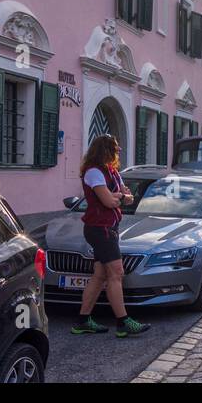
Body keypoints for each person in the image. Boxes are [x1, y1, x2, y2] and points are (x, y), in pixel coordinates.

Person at [71, 134, 151, 338]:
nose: (118, 152)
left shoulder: (111, 171)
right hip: (100, 228)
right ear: (105, 150)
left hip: (108, 227)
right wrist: (119, 197)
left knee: (99, 275)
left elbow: (127, 198)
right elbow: (109, 201)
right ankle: (123, 322)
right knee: (116, 273)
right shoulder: (94, 173)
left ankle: (82, 320)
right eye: (115, 148)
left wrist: (119, 197)